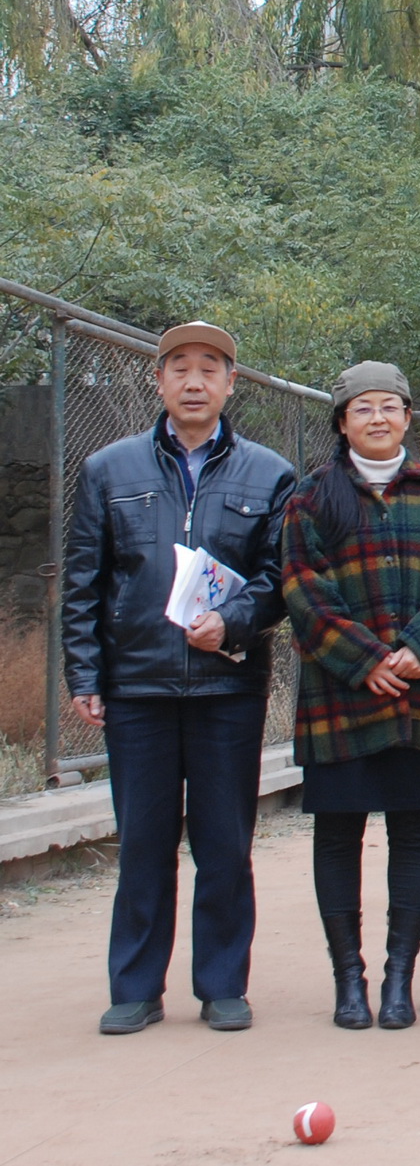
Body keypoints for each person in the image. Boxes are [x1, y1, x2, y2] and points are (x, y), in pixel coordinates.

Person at [64, 321, 297, 1035]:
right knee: (142, 843)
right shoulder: (109, 469)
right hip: (137, 687)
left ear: (232, 383)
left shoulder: (269, 473)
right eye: (179, 368)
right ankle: (135, 987)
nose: (194, 381)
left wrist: (231, 622)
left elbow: (277, 580)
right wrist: (85, 672)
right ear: (156, 381)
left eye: (210, 368)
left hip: (228, 688)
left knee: (225, 843)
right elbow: (83, 583)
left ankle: (222, 984)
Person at [282, 361, 420, 1031]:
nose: (377, 417)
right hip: (341, 697)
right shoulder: (310, 499)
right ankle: (350, 980)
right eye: (362, 408)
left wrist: (416, 652)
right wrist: (366, 660)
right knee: (338, 836)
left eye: (389, 406)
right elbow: (303, 591)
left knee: (416, 834)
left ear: (406, 417)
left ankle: (400, 976)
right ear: (342, 422)